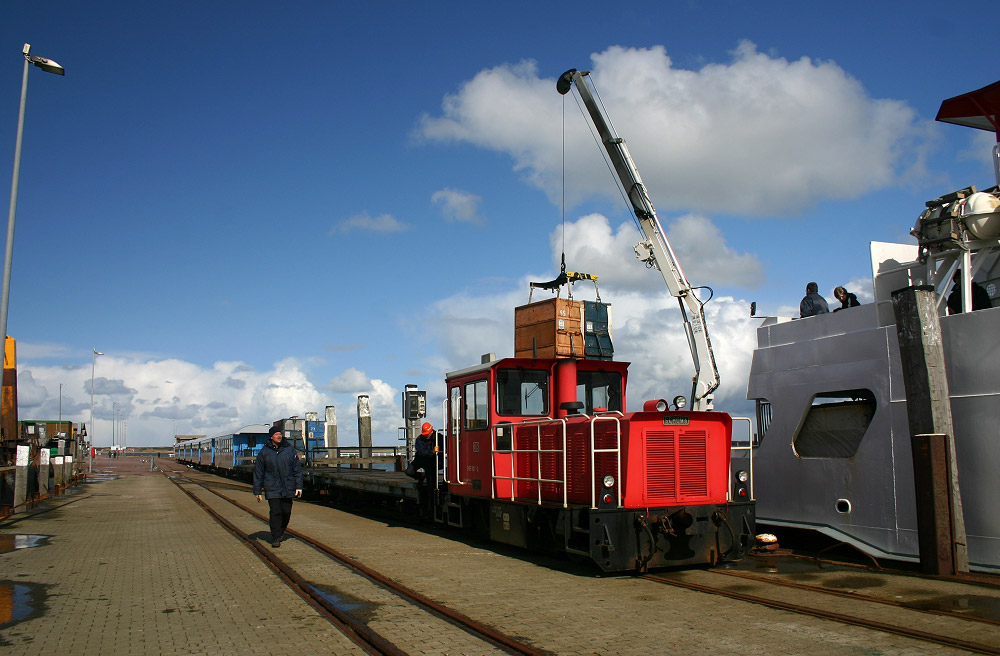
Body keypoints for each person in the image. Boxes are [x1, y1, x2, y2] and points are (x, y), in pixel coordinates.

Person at [253, 425, 303, 548]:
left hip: (288, 486)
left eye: (280, 434)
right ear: (271, 437)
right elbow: (258, 472)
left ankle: (280, 531)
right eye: (276, 434)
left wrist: (299, 486)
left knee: (286, 512)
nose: (279, 436)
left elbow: (297, 469)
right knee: (275, 512)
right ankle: (275, 537)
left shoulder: (289, 450)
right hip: (272, 487)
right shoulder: (264, 452)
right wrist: (257, 491)